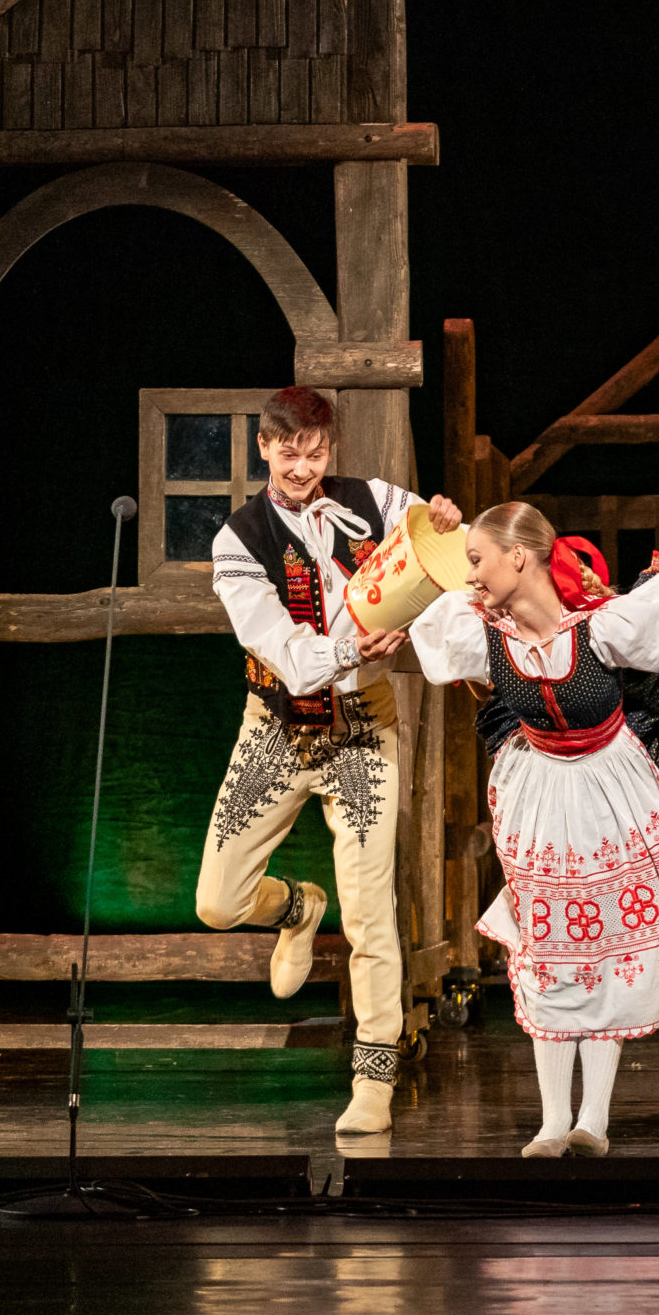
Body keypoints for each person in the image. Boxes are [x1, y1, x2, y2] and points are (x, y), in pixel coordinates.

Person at [409, 507, 659, 1156]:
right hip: (541, 791)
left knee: (605, 948)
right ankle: (553, 1120)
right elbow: (435, 639)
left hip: (613, 790)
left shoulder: (600, 629)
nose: (470, 576)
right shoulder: (487, 635)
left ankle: (593, 1120)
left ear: (518, 557)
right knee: (548, 949)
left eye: (478, 559)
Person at [197, 385, 459, 1137]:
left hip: (362, 726)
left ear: (329, 448)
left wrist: (443, 521)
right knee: (217, 900)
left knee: (372, 909)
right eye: (289, 453)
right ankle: (298, 909)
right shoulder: (237, 540)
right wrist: (349, 649)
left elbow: (441, 547)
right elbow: (280, 646)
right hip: (276, 725)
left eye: (315, 453)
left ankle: (374, 1073)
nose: (302, 468)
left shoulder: (372, 499)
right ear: (264, 447)